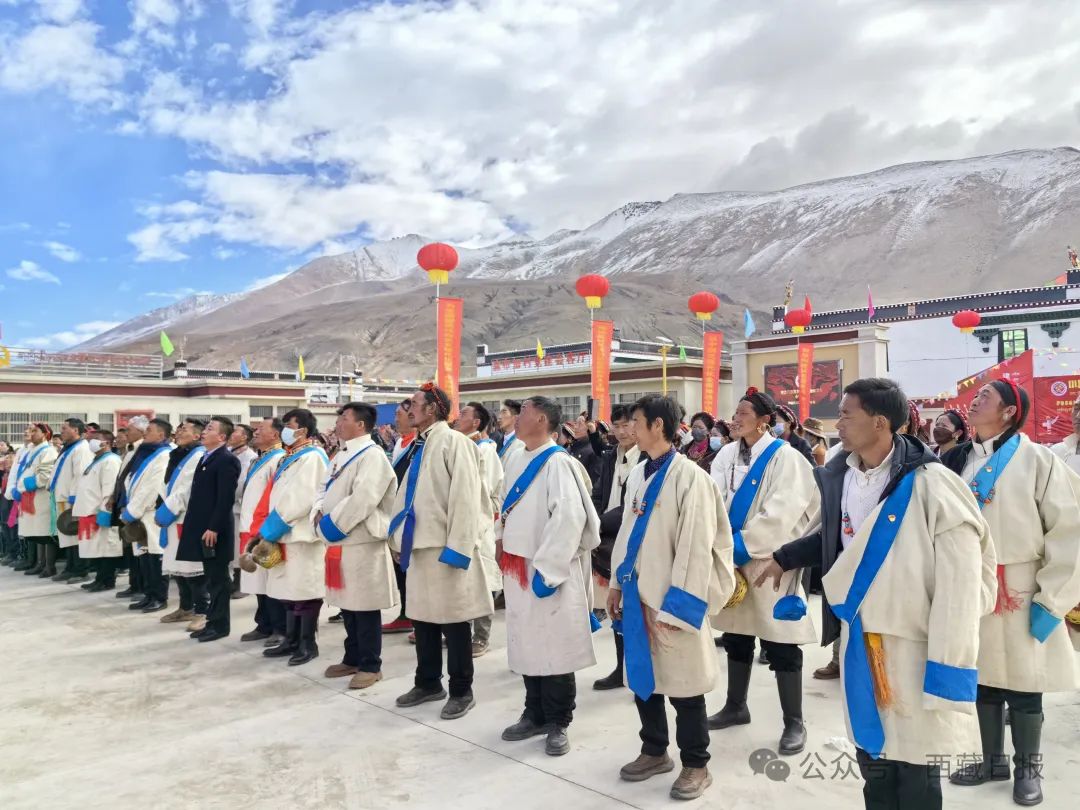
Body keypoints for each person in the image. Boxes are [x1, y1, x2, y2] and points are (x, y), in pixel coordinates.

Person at [755, 378, 996, 810]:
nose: (838, 424)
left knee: (916, 763)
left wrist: (950, 666)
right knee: (872, 756)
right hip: (859, 639)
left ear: (880, 422)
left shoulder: (934, 485)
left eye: (847, 415)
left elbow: (962, 584)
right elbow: (836, 538)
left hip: (913, 644)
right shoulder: (843, 476)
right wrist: (784, 556)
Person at [942, 381, 1080, 806]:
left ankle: (1028, 770)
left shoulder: (1039, 460)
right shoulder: (957, 459)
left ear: (1008, 412)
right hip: (969, 583)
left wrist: (1052, 599)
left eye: (986, 396)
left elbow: (1070, 530)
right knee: (981, 678)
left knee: (1024, 682)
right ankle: (991, 763)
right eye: (976, 395)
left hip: (1021, 584)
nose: (975, 400)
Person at [607, 395, 736, 801]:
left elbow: (696, 546)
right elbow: (626, 534)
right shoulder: (639, 472)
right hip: (638, 595)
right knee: (644, 679)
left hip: (673, 600)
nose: (630, 428)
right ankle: (654, 750)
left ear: (658, 425)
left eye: (636, 421)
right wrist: (615, 583)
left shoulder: (690, 477)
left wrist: (680, 606)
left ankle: (696, 763)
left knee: (684, 685)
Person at [707, 388, 820, 755]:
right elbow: (714, 498)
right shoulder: (726, 454)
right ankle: (736, 706)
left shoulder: (787, 458)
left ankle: (794, 721)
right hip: (730, 555)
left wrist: (742, 544)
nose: (735, 419)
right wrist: (720, 543)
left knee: (781, 640)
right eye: (735, 412)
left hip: (769, 559)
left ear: (764, 420)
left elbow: (784, 511)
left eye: (743, 413)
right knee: (737, 635)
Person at [497, 396, 601, 757]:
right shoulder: (515, 456)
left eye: (523, 411)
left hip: (547, 569)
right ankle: (534, 712)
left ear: (541, 419)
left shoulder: (558, 463)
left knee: (555, 646)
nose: (516, 417)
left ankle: (558, 721)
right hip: (519, 567)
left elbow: (569, 519)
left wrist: (549, 569)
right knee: (528, 642)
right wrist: (501, 540)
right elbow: (504, 505)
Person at [391, 383, 493, 721]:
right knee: (423, 620)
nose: (409, 410)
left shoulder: (455, 442)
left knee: (455, 621)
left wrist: (458, 548)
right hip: (419, 547)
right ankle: (428, 682)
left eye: (415, 403)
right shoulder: (420, 444)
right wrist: (398, 540)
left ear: (432, 408)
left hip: (445, 548)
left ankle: (462, 690)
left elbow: (466, 498)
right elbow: (408, 496)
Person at [316, 402, 399, 689]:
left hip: (361, 540)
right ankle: (352, 657)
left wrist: (331, 525)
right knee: (347, 604)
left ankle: (371, 665)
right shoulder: (342, 454)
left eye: (344, 418)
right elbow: (323, 489)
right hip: (340, 540)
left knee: (364, 606)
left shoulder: (372, 455)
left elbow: (363, 499)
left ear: (361, 425)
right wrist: (318, 512)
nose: (338, 423)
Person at [256, 408, 330, 665]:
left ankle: (308, 643)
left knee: (305, 591)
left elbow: (300, 497)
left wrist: (273, 526)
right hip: (283, 532)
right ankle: (291, 639)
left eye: (289, 425)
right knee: (288, 590)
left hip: (301, 534)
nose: (285, 429)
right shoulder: (292, 457)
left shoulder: (313, 457)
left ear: (303, 430)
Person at [587, 404, 642, 690]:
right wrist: (593, 520)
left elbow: (632, 507)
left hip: (634, 539)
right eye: (616, 426)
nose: (621, 431)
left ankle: (639, 671)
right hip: (609, 540)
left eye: (626, 425)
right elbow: (598, 494)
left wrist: (598, 524)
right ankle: (621, 669)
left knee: (638, 610)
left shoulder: (646, 458)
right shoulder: (611, 456)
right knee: (616, 606)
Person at [177, 417, 241, 642]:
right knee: (211, 579)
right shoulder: (207, 457)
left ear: (222, 437)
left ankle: (220, 626)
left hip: (215, 531)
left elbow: (225, 498)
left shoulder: (226, 460)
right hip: (203, 527)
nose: (204, 431)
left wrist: (214, 527)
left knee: (218, 580)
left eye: (210, 429)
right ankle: (211, 622)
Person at [455, 401, 503, 658]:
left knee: (483, 579)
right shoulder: (462, 445)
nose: (457, 417)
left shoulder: (486, 450)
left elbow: (487, 491)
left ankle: (481, 636)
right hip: (463, 522)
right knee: (463, 579)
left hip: (481, 523)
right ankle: (461, 631)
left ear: (476, 422)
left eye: (463, 414)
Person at [238, 418, 287, 646]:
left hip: (264, 528)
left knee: (270, 580)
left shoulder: (278, 459)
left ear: (275, 435)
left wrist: (266, 529)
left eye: (261, 429)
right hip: (250, 526)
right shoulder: (261, 458)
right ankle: (263, 623)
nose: (255, 432)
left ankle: (279, 627)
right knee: (257, 581)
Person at [156, 419, 208, 631]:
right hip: (173, 516)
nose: (178, 432)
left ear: (197, 435)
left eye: (184, 429)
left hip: (185, 517)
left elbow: (187, 489)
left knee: (192, 569)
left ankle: (203, 611)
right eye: (178, 429)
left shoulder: (198, 456)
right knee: (177, 568)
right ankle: (185, 608)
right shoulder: (179, 455)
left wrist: (166, 510)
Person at [119, 419, 174, 611]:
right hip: (140, 513)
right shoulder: (146, 452)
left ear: (161, 435)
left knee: (155, 558)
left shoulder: (164, 455)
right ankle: (148, 594)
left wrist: (132, 510)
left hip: (150, 513)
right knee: (144, 557)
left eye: (149, 430)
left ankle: (160, 597)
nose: (145, 433)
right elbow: (133, 481)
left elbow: (151, 487)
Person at [72, 429, 123, 591]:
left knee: (106, 548)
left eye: (95, 438)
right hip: (90, 512)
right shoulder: (97, 460)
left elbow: (110, 489)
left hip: (100, 512)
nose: (91, 441)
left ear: (106, 443)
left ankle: (107, 580)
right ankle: (99, 579)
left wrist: (105, 512)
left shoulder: (111, 461)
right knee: (96, 549)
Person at [383, 398, 416, 636]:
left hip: (410, 514)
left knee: (409, 569)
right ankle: (406, 613)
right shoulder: (400, 444)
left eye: (399, 414)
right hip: (395, 513)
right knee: (400, 568)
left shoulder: (419, 444)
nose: (396, 419)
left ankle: (413, 614)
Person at [49, 418, 94, 582]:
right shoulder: (68, 448)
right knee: (67, 535)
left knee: (75, 534)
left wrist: (75, 496)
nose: (61, 431)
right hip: (63, 497)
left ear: (75, 430)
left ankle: (81, 571)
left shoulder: (81, 448)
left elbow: (80, 474)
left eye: (64, 428)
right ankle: (70, 567)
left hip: (72, 499)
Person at [15, 423, 59, 577]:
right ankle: (40, 564)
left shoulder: (48, 451)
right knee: (38, 533)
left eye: (35, 431)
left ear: (45, 434)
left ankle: (49, 566)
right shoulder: (33, 450)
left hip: (42, 497)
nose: (31, 433)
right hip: (31, 497)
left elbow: (46, 475)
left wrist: (24, 485)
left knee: (46, 533)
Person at [112, 417, 148, 599]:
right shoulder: (130, 449)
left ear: (142, 432)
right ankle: (134, 584)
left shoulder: (143, 450)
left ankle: (142, 587)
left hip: (136, 505)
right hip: (125, 502)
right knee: (130, 547)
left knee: (141, 549)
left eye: (130, 430)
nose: (126, 433)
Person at [228, 423, 258, 597]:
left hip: (241, 507)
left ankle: (242, 583)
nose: (230, 434)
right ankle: (234, 581)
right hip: (229, 507)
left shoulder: (250, 457)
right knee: (231, 548)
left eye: (235, 432)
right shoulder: (230, 453)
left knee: (240, 546)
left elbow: (240, 484)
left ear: (244, 437)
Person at [497, 399, 525, 469]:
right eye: (500, 413)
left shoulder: (522, 442)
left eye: (504, 412)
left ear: (515, 417)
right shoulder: (499, 441)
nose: (499, 417)